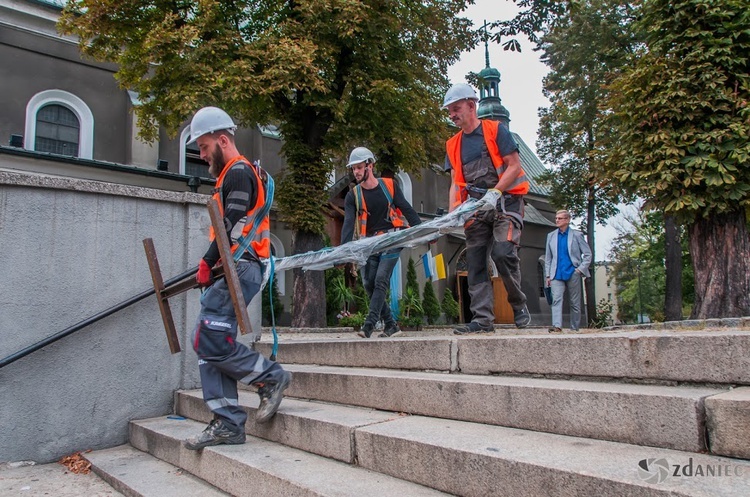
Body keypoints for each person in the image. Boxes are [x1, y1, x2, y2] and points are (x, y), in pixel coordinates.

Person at [182, 106, 291, 451]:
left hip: (242, 266)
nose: (200, 155)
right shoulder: (231, 174)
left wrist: (206, 260)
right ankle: (227, 422)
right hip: (234, 267)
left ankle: (271, 377)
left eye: (203, 146)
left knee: (208, 338)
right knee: (206, 342)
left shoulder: (239, 172)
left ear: (223, 139)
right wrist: (211, 265)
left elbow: (229, 224)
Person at [442, 83, 532, 334]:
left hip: (506, 202)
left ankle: (518, 303)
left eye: (456, 109)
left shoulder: (496, 130)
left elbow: (513, 166)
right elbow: (454, 184)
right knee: (475, 262)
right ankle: (482, 320)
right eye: (449, 111)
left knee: (503, 253)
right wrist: (453, 213)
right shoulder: (453, 145)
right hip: (476, 208)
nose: (452, 115)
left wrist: (495, 192)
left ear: (472, 106)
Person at [341, 147, 422, 338]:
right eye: (353, 169)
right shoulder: (353, 195)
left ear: (371, 165)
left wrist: (423, 232)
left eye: (359, 168)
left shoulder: (389, 185)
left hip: (393, 238)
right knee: (368, 283)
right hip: (369, 243)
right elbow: (347, 224)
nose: (356, 172)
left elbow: (407, 209)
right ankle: (391, 325)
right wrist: (343, 253)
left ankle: (369, 325)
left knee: (380, 280)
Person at [544, 209, 592, 332]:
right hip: (556, 273)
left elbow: (587, 254)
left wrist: (580, 270)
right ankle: (557, 326)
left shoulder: (577, 235)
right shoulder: (551, 236)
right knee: (556, 300)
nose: (557, 220)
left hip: (572, 272)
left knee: (575, 302)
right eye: (556, 218)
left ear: (567, 220)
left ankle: (574, 327)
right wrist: (548, 275)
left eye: (560, 218)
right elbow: (548, 257)